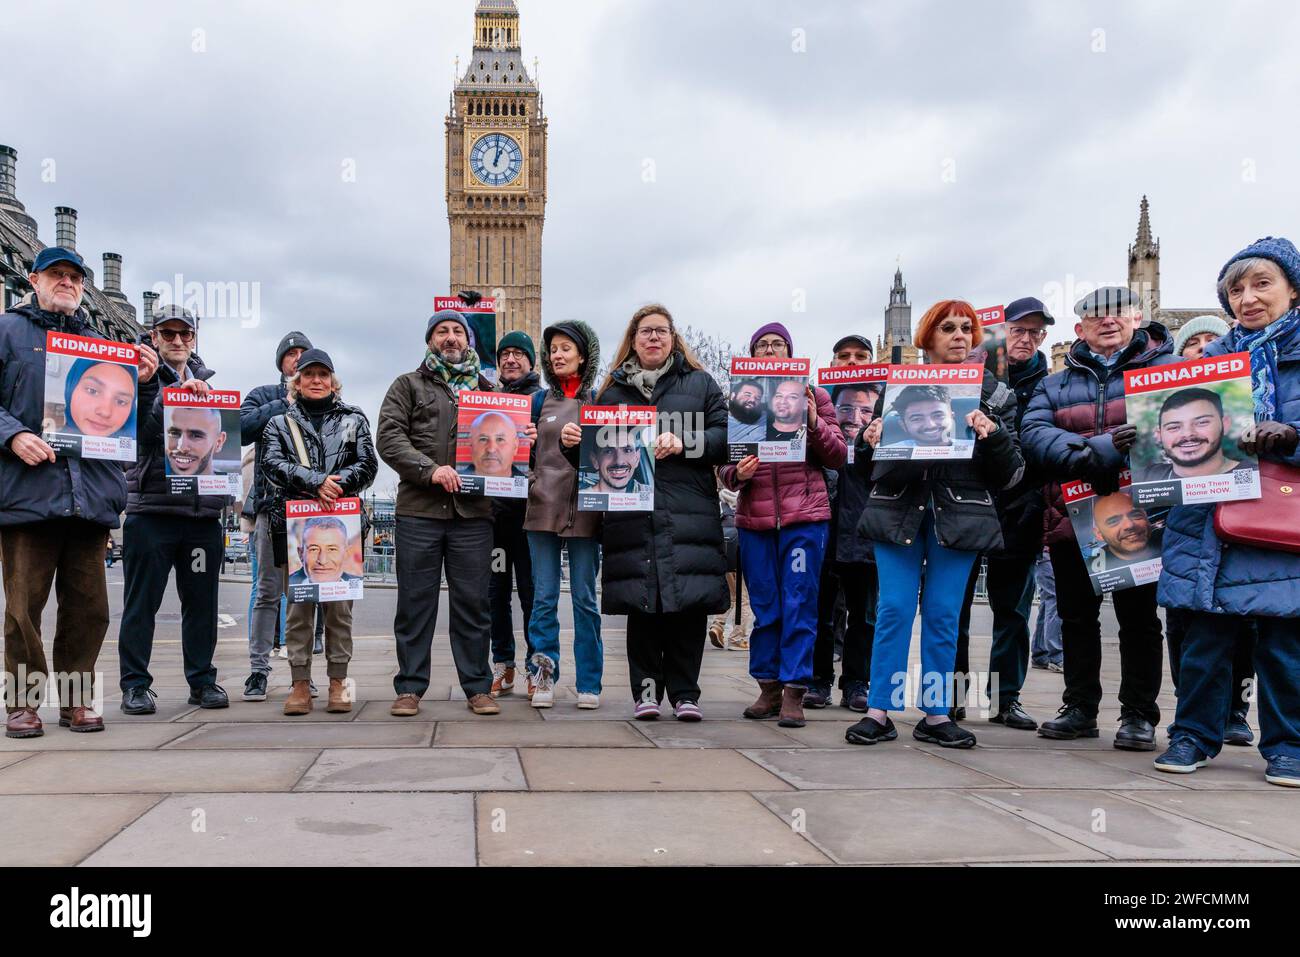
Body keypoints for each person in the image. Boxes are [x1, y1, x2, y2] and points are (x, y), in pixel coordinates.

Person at [845, 300, 1023, 748]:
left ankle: (937, 713)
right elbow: (866, 464)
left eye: (967, 328)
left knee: (945, 613)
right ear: (927, 338)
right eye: (948, 328)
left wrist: (993, 434)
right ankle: (879, 709)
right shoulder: (895, 389)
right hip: (898, 510)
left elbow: (1013, 471)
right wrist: (869, 443)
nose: (960, 336)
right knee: (894, 608)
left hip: (959, 515)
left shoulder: (995, 394)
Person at [1156, 236, 1300, 786]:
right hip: (1209, 518)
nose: (1248, 297)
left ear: (1292, 288)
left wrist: (1290, 436)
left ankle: (1287, 745)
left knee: (1284, 641)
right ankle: (1193, 735)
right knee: (1205, 640)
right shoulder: (1205, 364)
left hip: (1280, 518)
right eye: (1236, 289)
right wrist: (1141, 441)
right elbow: (1173, 432)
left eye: (1262, 283)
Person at [1, 247, 159, 737]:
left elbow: (137, 427)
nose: (66, 282)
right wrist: (12, 434)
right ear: (35, 279)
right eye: (56, 274)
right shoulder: (7, 331)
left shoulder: (101, 344)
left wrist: (146, 383)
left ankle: (75, 701)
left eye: (74, 276)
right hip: (29, 493)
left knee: (90, 608)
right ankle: (23, 704)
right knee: (23, 608)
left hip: (90, 495)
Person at [1021, 285, 1180, 749]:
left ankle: (1138, 716)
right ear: (1079, 329)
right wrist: (1102, 449)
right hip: (1070, 515)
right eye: (1096, 316)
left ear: (1137, 317)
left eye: (1119, 312)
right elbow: (1033, 435)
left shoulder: (1167, 372)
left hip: (1140, 512)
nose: (1108, 321)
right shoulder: (1053, 385)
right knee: (1075, 617)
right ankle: (1080, 708)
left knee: (1138, 620)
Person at [589, 304, 729, 721]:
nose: (654, 338)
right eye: (645, 331)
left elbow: (724, 437)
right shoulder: (611, 393)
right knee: (643, 606)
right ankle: (646, 693)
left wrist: (684, 441)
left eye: (661, 331)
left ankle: (686, 694)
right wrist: (571, 442)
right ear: (632, 340)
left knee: (688, 606)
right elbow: (593, 454)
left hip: (688, 513)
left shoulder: (700, 383)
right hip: (632, 516)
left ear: (673, 338)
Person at [377, 309, 503, 717]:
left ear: (469, 340)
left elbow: (504, 443)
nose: (450, 337)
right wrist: (430, 471)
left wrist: (523, 442)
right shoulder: (407, 385)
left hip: (473, 515)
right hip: (419, 512)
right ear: (430, 340)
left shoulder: (488, 390)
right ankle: (410, 687)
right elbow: (389, 437)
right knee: (415, 604)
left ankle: (477, 687)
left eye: (457, 331)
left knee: (473, 604)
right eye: (441, 331)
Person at [722, 322, 846, 729]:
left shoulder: (815, 395)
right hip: (755, 518)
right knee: (766, 606)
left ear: (791, 354)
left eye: (778, 345)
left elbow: (838, 455)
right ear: (752, 355)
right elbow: (722, 466)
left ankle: (795, 690)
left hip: (804, 518)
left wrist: (812, 421)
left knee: (800, 602)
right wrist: (736, 473)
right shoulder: (742, 401)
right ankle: (768, 684)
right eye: (763, 345)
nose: (771, 351)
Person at [118, 305, 230, 716]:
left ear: (194, 339)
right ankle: (135, 685)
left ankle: (202, 681)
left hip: (201, 516)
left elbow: (225, 442)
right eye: (169, 334)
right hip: (151, 511)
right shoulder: (137, 375)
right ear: (154, 337)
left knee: (201, 604)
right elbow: (141, 436)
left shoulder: (208, 386)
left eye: (185, 335)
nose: (178, 341)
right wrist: (167, 395)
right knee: (141, 603)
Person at [954, 297, 1053, 730]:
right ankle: (952, 700)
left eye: (1035, 332)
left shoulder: (1050, 385)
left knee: (1012, 611)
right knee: (953, 607)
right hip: (967, 504)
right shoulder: (965, 380)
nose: (1026, 339)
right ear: (998, 334)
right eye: (1018, 330)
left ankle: (1004, 699)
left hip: (1021, 508)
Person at [260, 349, 377, 715]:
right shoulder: (278, 423)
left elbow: (368, 464)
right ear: (297, 381)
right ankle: (299, 685)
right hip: (294, 526)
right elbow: (271, 463)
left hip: (341, 521)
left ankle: (338, 683)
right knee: (298, 610)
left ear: (333, 381)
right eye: (308, 374)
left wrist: (335, 484)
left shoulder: (354, 419)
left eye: (322, 374)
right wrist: (315, 482)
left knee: (339, 610)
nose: (316, 380)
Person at [1162, 314, 1255, 747]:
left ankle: (1235, 711)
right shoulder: (1170, 404)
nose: (1200, 347)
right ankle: (1193, 711)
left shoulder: (1248, 394)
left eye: (1210, 339)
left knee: (1243, 627)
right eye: (1192, 341)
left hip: (1243, 522)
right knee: (1183, 625)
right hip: (1185, 527)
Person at [525, 320, 604, 709]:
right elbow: (522, 459)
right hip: (543, 508)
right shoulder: (538, 403)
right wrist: (521, 444)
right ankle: (543, 676)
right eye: (553, 349)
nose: (557, 354)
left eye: (565, 348)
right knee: (543, 598)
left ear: (583, 356)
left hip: (587, 511)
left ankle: (590, 682)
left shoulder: (600, 400)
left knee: (586, 600)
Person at [807, 333, 882, 711]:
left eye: (860, 355)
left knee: (863, 615)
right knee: (820, 611)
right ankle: (818, 680)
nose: (852, 362)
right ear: (833, 362)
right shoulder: (815, 404)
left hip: (867, 525)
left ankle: (856, 682)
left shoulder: (890, 406)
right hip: (822, 520)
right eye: (844, 356)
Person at [240, 330, 312, 701]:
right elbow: (242, 429)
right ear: (281, 362)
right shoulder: (264, 395)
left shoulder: (322, 394)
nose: (298, 359)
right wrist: (284, 401)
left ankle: (302, 674)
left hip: (310, 510)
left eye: (304, 353)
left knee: (303, 594)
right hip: (271, 507)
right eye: (291, 354)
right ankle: (258, 671)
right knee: (266, 592)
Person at [487, 330, 539, 698]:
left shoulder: (543, 400)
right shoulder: (485, 399)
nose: (511, 359)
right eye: (505, 353)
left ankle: (536, 668)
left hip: (531, 514)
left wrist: (539, 440)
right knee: (495, 593)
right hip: (493, 516)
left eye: (519, 353)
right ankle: (503, 663)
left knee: (532, 596)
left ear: (532, 362)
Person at [1135, 388, 1252, 481]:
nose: (1188, 434)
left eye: (1201, 422)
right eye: (1174, 427)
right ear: (1159, 435)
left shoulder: (1252, 475)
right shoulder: (1144, 480)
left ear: (1225, 424)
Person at [708, 484, 751, 651]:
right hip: (741, 555)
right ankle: (737, 638)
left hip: (725, 557)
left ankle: (717, 625)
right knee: (743, 599)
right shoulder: (745, 500)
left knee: (732, 597)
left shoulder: (721, 502)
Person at [61, 359, 137, 438]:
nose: (105, 412)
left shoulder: (134, 444)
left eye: (121, 401)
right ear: (71, 390)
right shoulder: (50, 444)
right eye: (92, 391)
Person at [1090, 492, 1161, 567]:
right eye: (1113, 521)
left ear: (1146, 517)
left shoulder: (1170, 541)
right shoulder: (1093, 568)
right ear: (1099, 534)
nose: (1129, 525)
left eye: (1136, 515)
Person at [288, 516, 362, 585]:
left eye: (332, 549)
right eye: (314, 549)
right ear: (301, 554)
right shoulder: (286, 586)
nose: (322, 561)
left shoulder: (358, 584)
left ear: (346, 553)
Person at [1030, 547, 1063, 671]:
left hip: (1044, 553)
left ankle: (1040, 654)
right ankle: (1056, 656)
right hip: (1049, 552)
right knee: (1055, 600)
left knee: (1047, 603)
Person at [889, 385, 954, 447]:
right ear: (903, 425)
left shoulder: (964, 448)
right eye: (917, 419)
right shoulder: (890, 453)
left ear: (952, 417)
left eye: (938, 415)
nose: (930, 425)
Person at [585, 431, 649, 493]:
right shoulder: (582, 498)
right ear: (595, 460)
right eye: (608, 452)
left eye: (627, 450)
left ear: (637, 458)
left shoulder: (649, 494)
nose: (619, 462)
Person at [465, 410, 523, 478]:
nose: (491, 449)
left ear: (515, 446)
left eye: (500, 439)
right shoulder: (456, 482)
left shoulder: (528, 486)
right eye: (483, 439)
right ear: (471, 444)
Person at [765, 378, 807, 444]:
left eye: (792, 397)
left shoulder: (811, 437)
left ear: (805, 404)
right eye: (779, 396)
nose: (782, 401)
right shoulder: (759, 430)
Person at [727, 379, 766, 445]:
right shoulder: (721, 421)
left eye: (758, 398)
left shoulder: (766, 419)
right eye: (747, 395)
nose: (752, 400)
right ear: (733, 396)